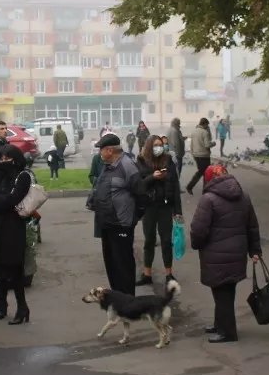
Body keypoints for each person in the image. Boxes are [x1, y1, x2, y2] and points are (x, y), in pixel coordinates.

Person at [189, 164, 261, 344]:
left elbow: (199, 230)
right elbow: (252, 226)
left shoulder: (208, 199)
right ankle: (220, 323)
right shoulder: (243, 196)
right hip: (237, 253)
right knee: (226, 291)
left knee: (221, 293)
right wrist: (255, 250)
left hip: (216, 254)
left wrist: (196, 244)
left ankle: (228, 332)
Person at [87, 134, 154, 296]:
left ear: (110, 150)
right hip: (106, 224)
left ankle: (127, 299)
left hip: (121, 225)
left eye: (101, 150)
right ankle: (118, 299)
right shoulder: (107, 165)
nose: (100, 153)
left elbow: (142, 195)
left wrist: (132, 218)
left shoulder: (127, 166)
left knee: (123, 264)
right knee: (111, 264)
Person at [0, 145, 34, 324]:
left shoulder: (23, 176)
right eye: (1, 158)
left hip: (14, 227)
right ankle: (2, 306)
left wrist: (0, 200)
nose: (4, 162)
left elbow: (14, 199)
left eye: (8, 158)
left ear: (16, 158)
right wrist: (2, 200)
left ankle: (22, 308)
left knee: (14, 269)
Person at [135, 136, 183, 287]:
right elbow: (138, 185)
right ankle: (147, 273)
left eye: (160, 145)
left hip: (165, 206)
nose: (159, 148)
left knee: (166, 241)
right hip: (149, 207)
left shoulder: (168, 160)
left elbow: (175, 186)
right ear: (149, 146)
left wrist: (178, 210)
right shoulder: (141, 161)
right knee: (149, 240)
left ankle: (169, 273)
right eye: (155, 145)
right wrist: (152, 177)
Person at [185, 118, 215, 195]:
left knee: (202, 172)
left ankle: (205, 189)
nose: (207, 127)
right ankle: (191, 186)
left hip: (196, 155)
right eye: (207, 125)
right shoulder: (205, 132)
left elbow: (191, 144)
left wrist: (192, 153)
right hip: (204, 155)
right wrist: (213, 143)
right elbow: (207, 145)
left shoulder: (194, 131)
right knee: (204, 172)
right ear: (205, 124)